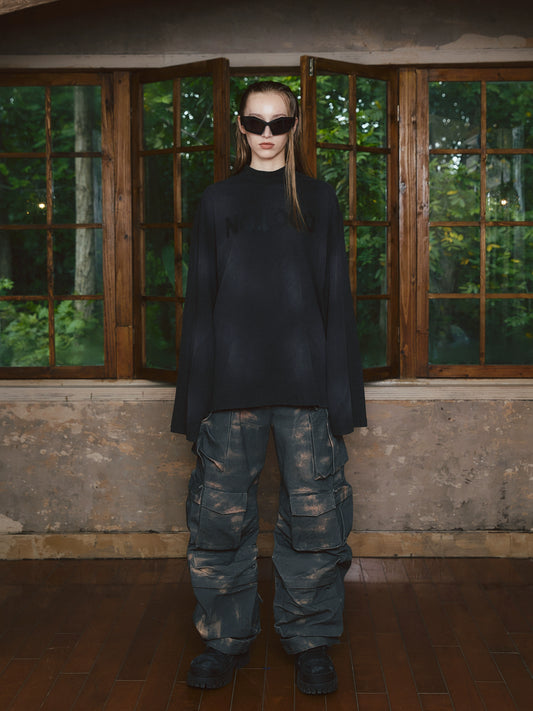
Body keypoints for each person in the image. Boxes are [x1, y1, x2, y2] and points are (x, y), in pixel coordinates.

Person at [171, 80, 367, 695]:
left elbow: (335, 298)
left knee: (315, 519)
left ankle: (310, 640)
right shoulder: (217, 200)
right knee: (220, 519)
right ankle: (223, 640)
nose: (265, 134)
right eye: (255, 122)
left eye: (277, 123)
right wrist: (193, 402)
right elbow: (200, 302)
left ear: (294, 126)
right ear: (240, 125)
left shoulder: (318, 199)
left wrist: (342, 397)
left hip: (306, 384)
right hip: (230, 386)